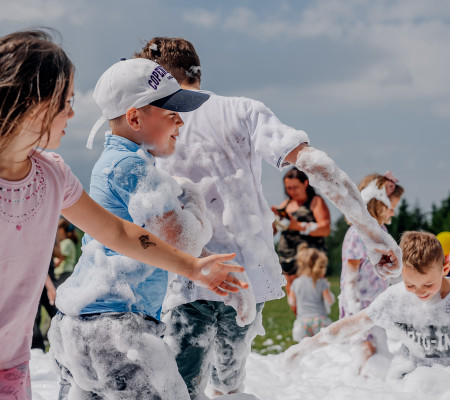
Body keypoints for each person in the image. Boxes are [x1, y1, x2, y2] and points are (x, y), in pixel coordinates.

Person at [0, 30, 247, 400]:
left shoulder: (52, 175)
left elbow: (118, 232)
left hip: (11, 368)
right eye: (65, 101)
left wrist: (192, 268)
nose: (72, 112)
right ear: (31, 104)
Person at [135, 37, 402, 398]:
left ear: (157, 74)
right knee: (229, 389)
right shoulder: (242, 110)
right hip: (248, 274)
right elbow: (317, 164)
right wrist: (372, 232)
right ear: (197, 71)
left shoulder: (152, 119)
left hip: (185, 274)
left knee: (180, 390)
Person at [285, 231, 450, 379]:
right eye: (410, 284)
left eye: (428, 284)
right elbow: (354, 324)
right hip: (414, 381)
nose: (420, 291)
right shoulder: (395, 299)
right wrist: (306, 347)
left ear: (445, 268)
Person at [339, 173, 404, 363]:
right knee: (365, 348)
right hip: (360, 304)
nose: (393, 212)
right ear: (378, 203)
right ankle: (360, 381)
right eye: (391, 207)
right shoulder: (358, 234)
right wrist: (354, 308)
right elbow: (350, 278)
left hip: (376, 302)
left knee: (377, 349)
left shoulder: (380, 231)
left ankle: (372, 382)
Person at [273, 167, 331, 297]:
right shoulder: (285, 204)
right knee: (293, 300)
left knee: (312, 299)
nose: (291, 191)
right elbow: (273, 232)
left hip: (310, 259)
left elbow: (325, 228)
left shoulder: (315, 201)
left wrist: (298, 225)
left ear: (305, 184)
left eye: (295, 187)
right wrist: (271, 219)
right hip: (288, 258)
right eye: (288, 188)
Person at [288, 243, 335, 342]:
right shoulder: (321, 282)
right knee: (322, 348)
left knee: (306, 349)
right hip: (320, 321)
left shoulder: (296, 282)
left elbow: (292, 301)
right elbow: (329, 300)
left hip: (303, 323)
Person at [31, 257, 58, 351]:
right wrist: (50, 286)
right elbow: (36, 261)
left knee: (58, 315)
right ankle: (37, 350)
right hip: (38, 281)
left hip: (39, 281)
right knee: (58, 315)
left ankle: (38, 350)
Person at [54, 218, 79, 285]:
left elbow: (60, 259)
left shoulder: (67, 242)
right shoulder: (64, 243)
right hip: (61, 273)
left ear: (61, 230)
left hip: (65, 273)